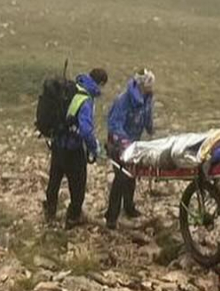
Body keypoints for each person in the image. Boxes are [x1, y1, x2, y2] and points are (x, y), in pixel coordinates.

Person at [45, 68, 107, 229]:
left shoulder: (72, 88)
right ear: (99, 84)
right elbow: (86, 130)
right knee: (78, 186)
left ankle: (50, 213)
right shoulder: (85, 99)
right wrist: (94, 148)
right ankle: (72, 219)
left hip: (57, 144)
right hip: (73, 149)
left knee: (54, 180)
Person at [105, 69, 156, 229]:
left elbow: (147, 117)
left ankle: (129, 207)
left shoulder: (147, 99)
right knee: (121, 178)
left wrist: (151, 130)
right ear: (142, 85)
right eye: (149, 84)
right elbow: (114, 125)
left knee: (132, 176)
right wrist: (124, 143)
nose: (152, 87)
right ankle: (111, 217)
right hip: (118, 144)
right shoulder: (123, 100)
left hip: (134, 144)